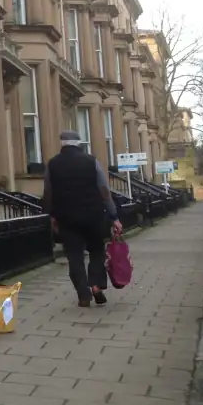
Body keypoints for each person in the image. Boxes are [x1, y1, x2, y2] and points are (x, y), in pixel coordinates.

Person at [40, 129, 123, 307]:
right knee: (96, 251)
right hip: (93, 216)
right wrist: (113, 215)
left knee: (75, 256)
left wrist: (51, 214)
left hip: (66, 217)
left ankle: (83, 294)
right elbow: (104, 190)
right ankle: (95, 285)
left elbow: (48, 192)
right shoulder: (91, 161)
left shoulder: (52, 164)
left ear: (61, 143)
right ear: (79, 143)